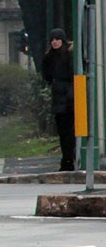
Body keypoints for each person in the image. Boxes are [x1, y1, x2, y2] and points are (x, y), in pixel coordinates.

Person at [42, 28, 75, 172]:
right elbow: (46, 75)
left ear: (63, 40)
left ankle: (68, 159)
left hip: (69, 96)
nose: (54, 42)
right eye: (52, 40)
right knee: (62, 130)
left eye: (57, 39)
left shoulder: (69, 55)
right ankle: (66, 158)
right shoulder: (49, 57)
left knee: (70, 130)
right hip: (58, 96)